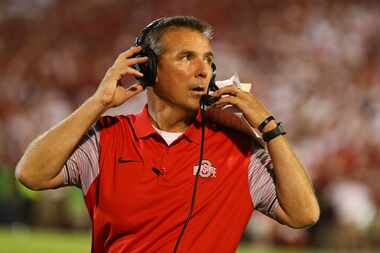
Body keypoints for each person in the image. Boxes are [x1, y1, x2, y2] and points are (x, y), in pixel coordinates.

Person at [15, 16, 320, 253]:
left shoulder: (238, 149)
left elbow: (303, 214)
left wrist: (268, 128)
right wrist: (98, 103)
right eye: (187, 57)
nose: (204, 71)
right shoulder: (106, 138)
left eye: (209, 60)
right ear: (149, 69)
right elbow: (32, 174)